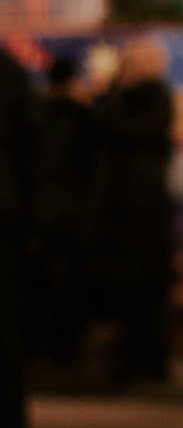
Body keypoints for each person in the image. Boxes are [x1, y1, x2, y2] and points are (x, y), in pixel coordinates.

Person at [89, 40, 174, 387]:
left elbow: (125, 131)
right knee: (130, 288)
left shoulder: (150, 100)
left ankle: (144, 360)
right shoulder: (137, 100)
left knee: (143, 287)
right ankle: (134, 358)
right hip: (129, 209)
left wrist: (109, 95)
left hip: (142, 209)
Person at [0, 46, 45, 428]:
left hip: (4, 230)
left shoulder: (8, 72)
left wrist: (33, 227)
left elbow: (33, 153)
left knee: (6, 352)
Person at [33, 55, 97, 367]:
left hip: (40, 212)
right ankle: (65, 347)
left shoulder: (36, 115)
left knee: (40, 281)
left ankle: (42, 343)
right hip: (71, 212)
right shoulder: (82, 117)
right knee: (71, 283)